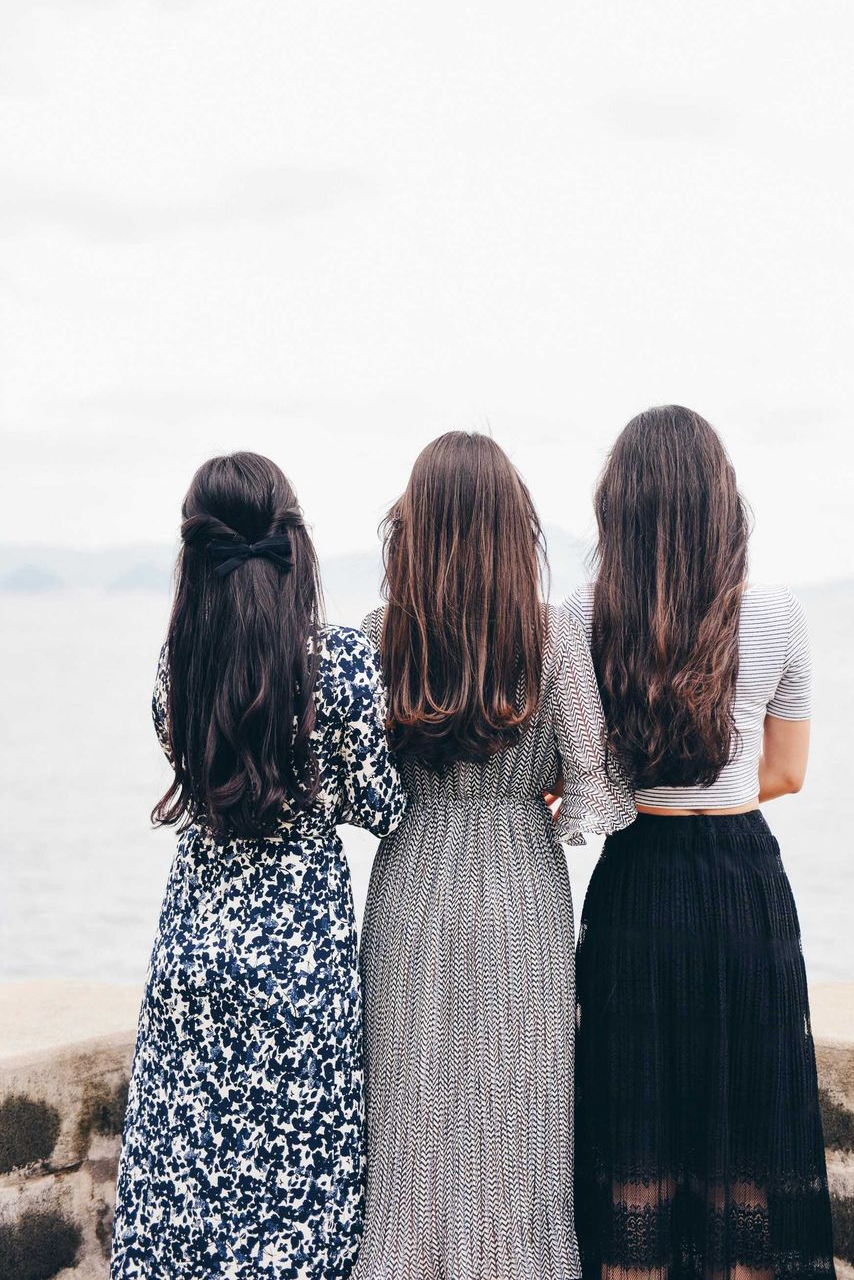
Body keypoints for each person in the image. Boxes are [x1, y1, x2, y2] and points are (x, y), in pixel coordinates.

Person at [111, 452, 404, 1280]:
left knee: (187, 1206)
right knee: (299, 1224)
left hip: (193, 961)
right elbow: (382, 805)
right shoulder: (341, 667)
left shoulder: (179, 669)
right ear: (293, 546)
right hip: (302, 975)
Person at [354, 431, 635, 1280]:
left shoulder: (378, 635)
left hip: (411, 877)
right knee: (516, 1125)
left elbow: (361, 789)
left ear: (416, 529)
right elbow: (599, 787)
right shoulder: (550, 638)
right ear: (518, 528)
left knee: (409, 1127)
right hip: (519, 884)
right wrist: (539, 796)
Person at [569, 405, 835, 1280]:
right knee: (746, 1157)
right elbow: (787, 771)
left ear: (620, 507)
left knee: (633, 1155)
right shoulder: (778, 616)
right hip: (742, 884)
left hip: (637, 881)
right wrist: (713, 789)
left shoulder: (582, 616)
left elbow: (570, 777)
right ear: (724, 504)